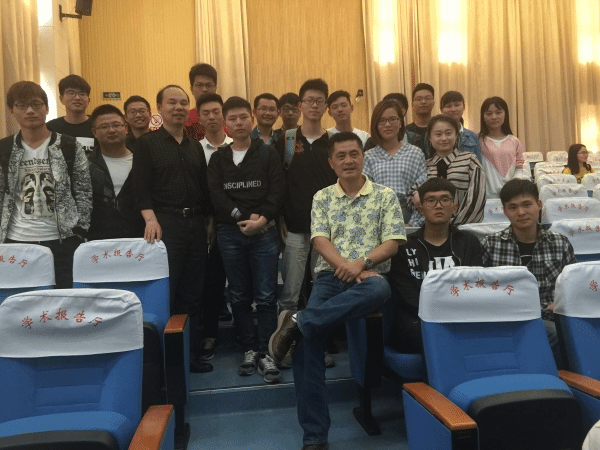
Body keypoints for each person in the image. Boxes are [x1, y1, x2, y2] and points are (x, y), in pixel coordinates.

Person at [268, 131, 406, 450]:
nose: (348, 160)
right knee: (305, 347)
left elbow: (393, 242)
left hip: (369, 277)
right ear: (331, 163)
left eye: (353, 154)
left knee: (380, 288)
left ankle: (299, 321)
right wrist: (345, 266)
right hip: (330, 277)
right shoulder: (323, 197)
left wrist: (362, 263)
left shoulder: (384, 195)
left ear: (363, 157)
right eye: (340, 156)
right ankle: (315, 437)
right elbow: (319, 240)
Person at [132, 84, 213, 373]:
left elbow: (203, 188)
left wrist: (209, 222)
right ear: (160, 108)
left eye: (183, 103)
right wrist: (150, 219)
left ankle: (189, 356)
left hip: (195, 225)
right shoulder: (147, 144)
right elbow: (140, 187)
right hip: (164, 226)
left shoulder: (195, 146)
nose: (178, 108)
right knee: (167, 292)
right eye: (172, 103)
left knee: (193, 294)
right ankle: (165, 363)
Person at [207, 96, 285, 383]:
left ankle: (267, 351)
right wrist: (243, 217)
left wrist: (262, 220)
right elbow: (217, 195)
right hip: (230, 233)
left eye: (243, 117)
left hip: (264, 232)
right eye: (233, 119)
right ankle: (249, 349)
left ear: (251, 119)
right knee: (239, 295)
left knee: (266, 296)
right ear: (225, 123)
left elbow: (277, 190)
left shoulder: (267, 154)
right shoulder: (218, 159)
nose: (239, 123)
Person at [0, 81, 92, 288]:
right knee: (22, 300)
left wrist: (79, 232)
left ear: (47, 108)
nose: (30, 111)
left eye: (36, 104)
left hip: (62, 241)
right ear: (11, 110)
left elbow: (84, 191)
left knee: (63, 298)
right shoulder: (4, 149)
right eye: (22, 105)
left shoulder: (68, 145)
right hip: (16, 240)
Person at [481, 178, 576, 369]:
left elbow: (573, 286)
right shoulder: (490, 244)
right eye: (513, 207)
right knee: (552, 333)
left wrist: (561, 303)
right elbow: (480, 289)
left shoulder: (560, 243)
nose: (521, 212)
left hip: (550, 315)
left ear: (539, 205)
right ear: (504, 211)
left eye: (527, 205)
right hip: (507, 317)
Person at [388, 177, 482, 353]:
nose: (438, 206)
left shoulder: (469, 242)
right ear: (421, 208)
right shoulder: (405, 246)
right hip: (419, 318)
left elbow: (474, 284)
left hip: (461, 314)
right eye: (431, 200)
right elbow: (407, 294)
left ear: (454, 207)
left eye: (445, 199)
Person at [195, 92, 233, 362]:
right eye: (205, 113)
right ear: (199, 118)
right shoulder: (195, 149)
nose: (211, 117)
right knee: (211, 281)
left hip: (236, 223)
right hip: (207, 225)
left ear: (223, 115)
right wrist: (208, 220)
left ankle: (247, 334)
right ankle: (209, 334)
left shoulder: (238, 145)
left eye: (216, 112)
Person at [363, 99, 427, 226]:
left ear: (400, 122)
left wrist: (412, 224)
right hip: (378, 217)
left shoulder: (415, 153)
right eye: (382, 120)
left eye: (392, 119)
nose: (387, 125)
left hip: (409, 215)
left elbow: (423, 192)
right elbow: (365, 196)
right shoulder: (368, 157)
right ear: (375, 125)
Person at [414, 114, 486, 225]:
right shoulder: (425, 165)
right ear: (430, 138)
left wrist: (454, 225)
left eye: (448, 133)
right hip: (432, 228)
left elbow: (477, 197)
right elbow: (414, 196)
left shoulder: (470, 160)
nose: (444, 138)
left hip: (464, 227)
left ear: (456, 135)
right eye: (438, 134)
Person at [87, 104, 144, 241]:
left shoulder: (142, 161)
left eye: (116, 125)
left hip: (138, 238)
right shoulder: (86, 165)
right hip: (99, 239)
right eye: (104, 127)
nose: (111, 130)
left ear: (126, 128)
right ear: (94, 132)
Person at [479, 96, 530, 198]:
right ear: (483, 117)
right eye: (489, 114)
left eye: (498, 112)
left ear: (505, 114)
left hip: (511, 197)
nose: (494, 117)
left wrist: (512, 187)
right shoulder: (477, 141)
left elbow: (520, 167)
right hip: (486, 198)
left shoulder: (514, 141)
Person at [46, 75, 95, 155]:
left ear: (88, 100)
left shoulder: (98, 125)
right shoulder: (50, 128)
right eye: (71, 93)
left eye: (82, 94)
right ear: (61, 99)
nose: (77, 98)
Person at [439, 91, 482, 163]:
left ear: (464, 107)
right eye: (448, 106)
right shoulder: (434, 135)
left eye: (457, 105)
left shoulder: (472, 136)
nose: (453, 109)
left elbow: (478, 164)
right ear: (441, 109)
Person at [184, 63, 218, 141]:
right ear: (191, 89)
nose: (204, 89)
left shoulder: (225, 117)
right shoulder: (185, 119)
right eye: (199, 85)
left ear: (215, 88)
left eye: (209, 85)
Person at [406, 83, 435, 156]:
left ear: (433, 103)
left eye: (427, 98)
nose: (423, 102)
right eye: (419, 99)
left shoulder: (440, 129)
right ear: (412, 104)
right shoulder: (406, 132)